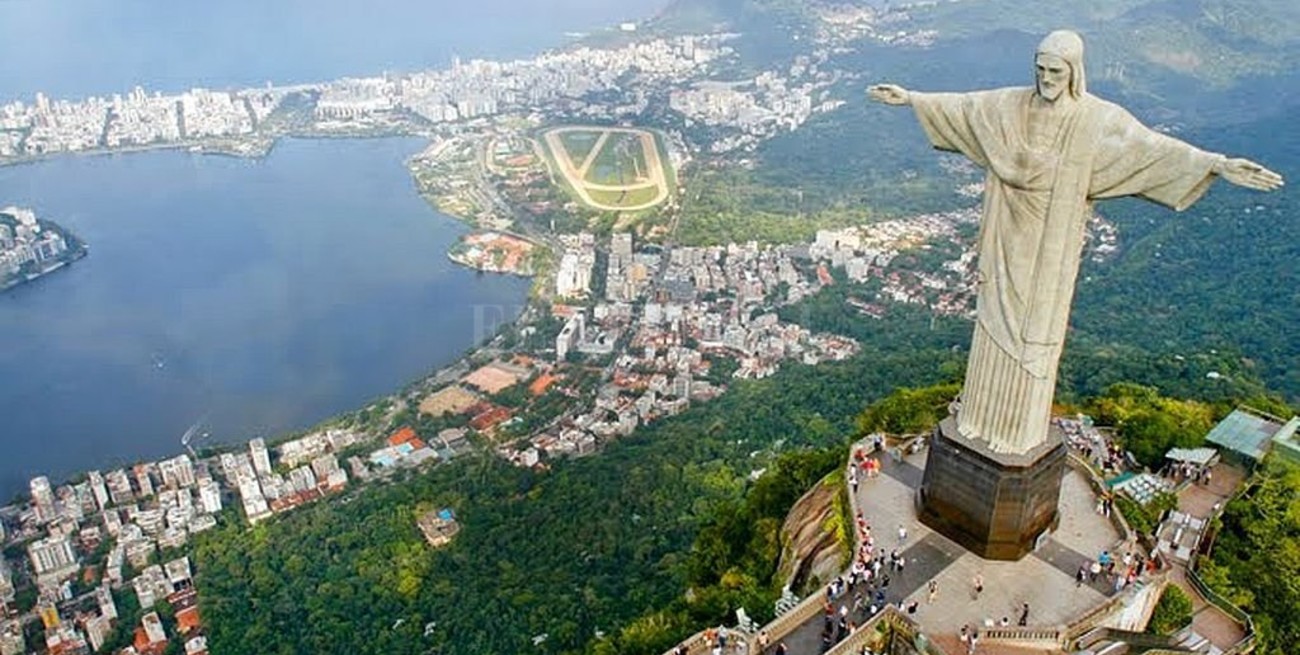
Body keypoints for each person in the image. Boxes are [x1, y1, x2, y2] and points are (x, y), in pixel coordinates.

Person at [868, 30, 1283, 455]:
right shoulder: (1011, 105)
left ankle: (1016, 431)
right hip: (1006, 232)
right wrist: (911, 98)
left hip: (1051, 245)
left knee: (1034, 331)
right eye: (1041, 69)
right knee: (992, 317)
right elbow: (966, 108)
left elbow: (1152, 148)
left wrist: (1217, 164)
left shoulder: (1096, 120)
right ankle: (977, 417)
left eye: (1056, 71)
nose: (1047, 78)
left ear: (1074, 72)